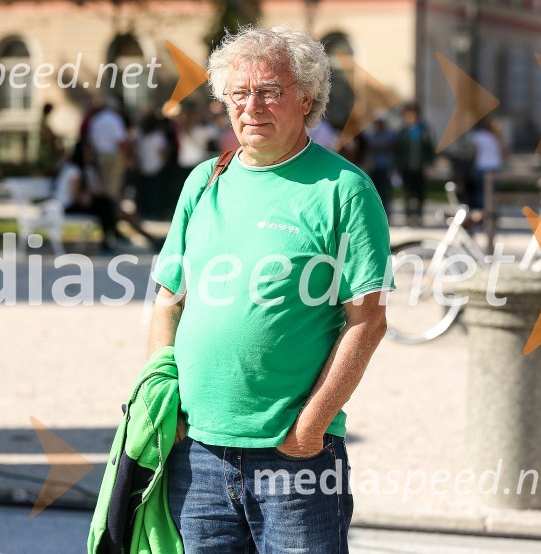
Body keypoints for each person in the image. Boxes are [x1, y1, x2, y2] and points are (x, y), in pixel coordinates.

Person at [150, 25, 393, 553]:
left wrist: (309, 429)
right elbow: (169, 301)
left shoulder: (345, 190)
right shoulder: (203, 182)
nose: (251, 106)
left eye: (269, 91)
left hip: (294, 459)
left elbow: (368, 321)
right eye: (239, 93)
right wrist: (162, 406)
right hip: (196, 453)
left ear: (306, 98)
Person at [394, 102, 434, 226]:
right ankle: (409, 216)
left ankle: (419, 215)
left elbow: (429, 149)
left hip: (420, 167)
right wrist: (397, 165)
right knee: (407, 192)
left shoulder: (424, 130)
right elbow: (397, 150)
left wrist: (429, 164)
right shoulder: (403, 132)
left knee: (420, 192)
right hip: (406, 167)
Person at [87, 96, 129, 201]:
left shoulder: (96, 120)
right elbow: (120, 141)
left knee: (104, 186)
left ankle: (108, 208)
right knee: (113, 187)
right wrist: (127, 157)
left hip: (100, 155)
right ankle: (112, 210)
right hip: (113, 156)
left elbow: (91, 141)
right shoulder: (115, 119)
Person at [469, 118, 506, 211]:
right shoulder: (496, 136)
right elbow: (504, 151)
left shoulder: (478, 136)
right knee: (494, 192)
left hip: (482, 166)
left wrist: (472, 163)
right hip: (495, 166)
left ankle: (483, 213)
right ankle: (493, 211)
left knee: (481, 191)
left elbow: (475, 152)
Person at [363, 118, 396, 217]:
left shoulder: (390, 135)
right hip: (374, 167)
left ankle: (387, 214)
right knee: (375, 191)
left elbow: (391, 148)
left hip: (386, 167)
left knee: (385, 191)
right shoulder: (373, 135)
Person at [37, 103, 63, 178]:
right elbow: (45, 135)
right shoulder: (43, 121)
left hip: (47, 152)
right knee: (47, 171)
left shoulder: (43, 120)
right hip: (46, 153)